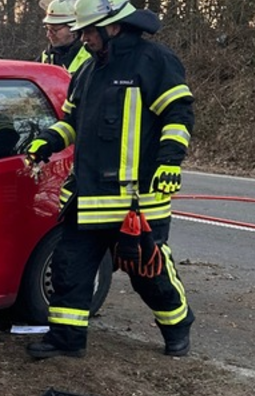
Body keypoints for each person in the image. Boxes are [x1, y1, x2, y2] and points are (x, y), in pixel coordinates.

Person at [24, 0, 195, 359]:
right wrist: (47, 141)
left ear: (113, 27)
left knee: (148, 272)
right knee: (70, 268)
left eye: (89, 31)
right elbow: (71, 123)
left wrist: (169, 162)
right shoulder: (88, 70)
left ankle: (178, 326)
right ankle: (66, 339)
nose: (84, 38)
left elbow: (177, 116)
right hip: (87, 196)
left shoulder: (155, 61)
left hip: (136, 201)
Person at [40, 0, 91, 73]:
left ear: (73, 29)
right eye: (48, 29)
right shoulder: (46, 56)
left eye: (54, 30)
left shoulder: (91, 56)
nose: (48, 35)